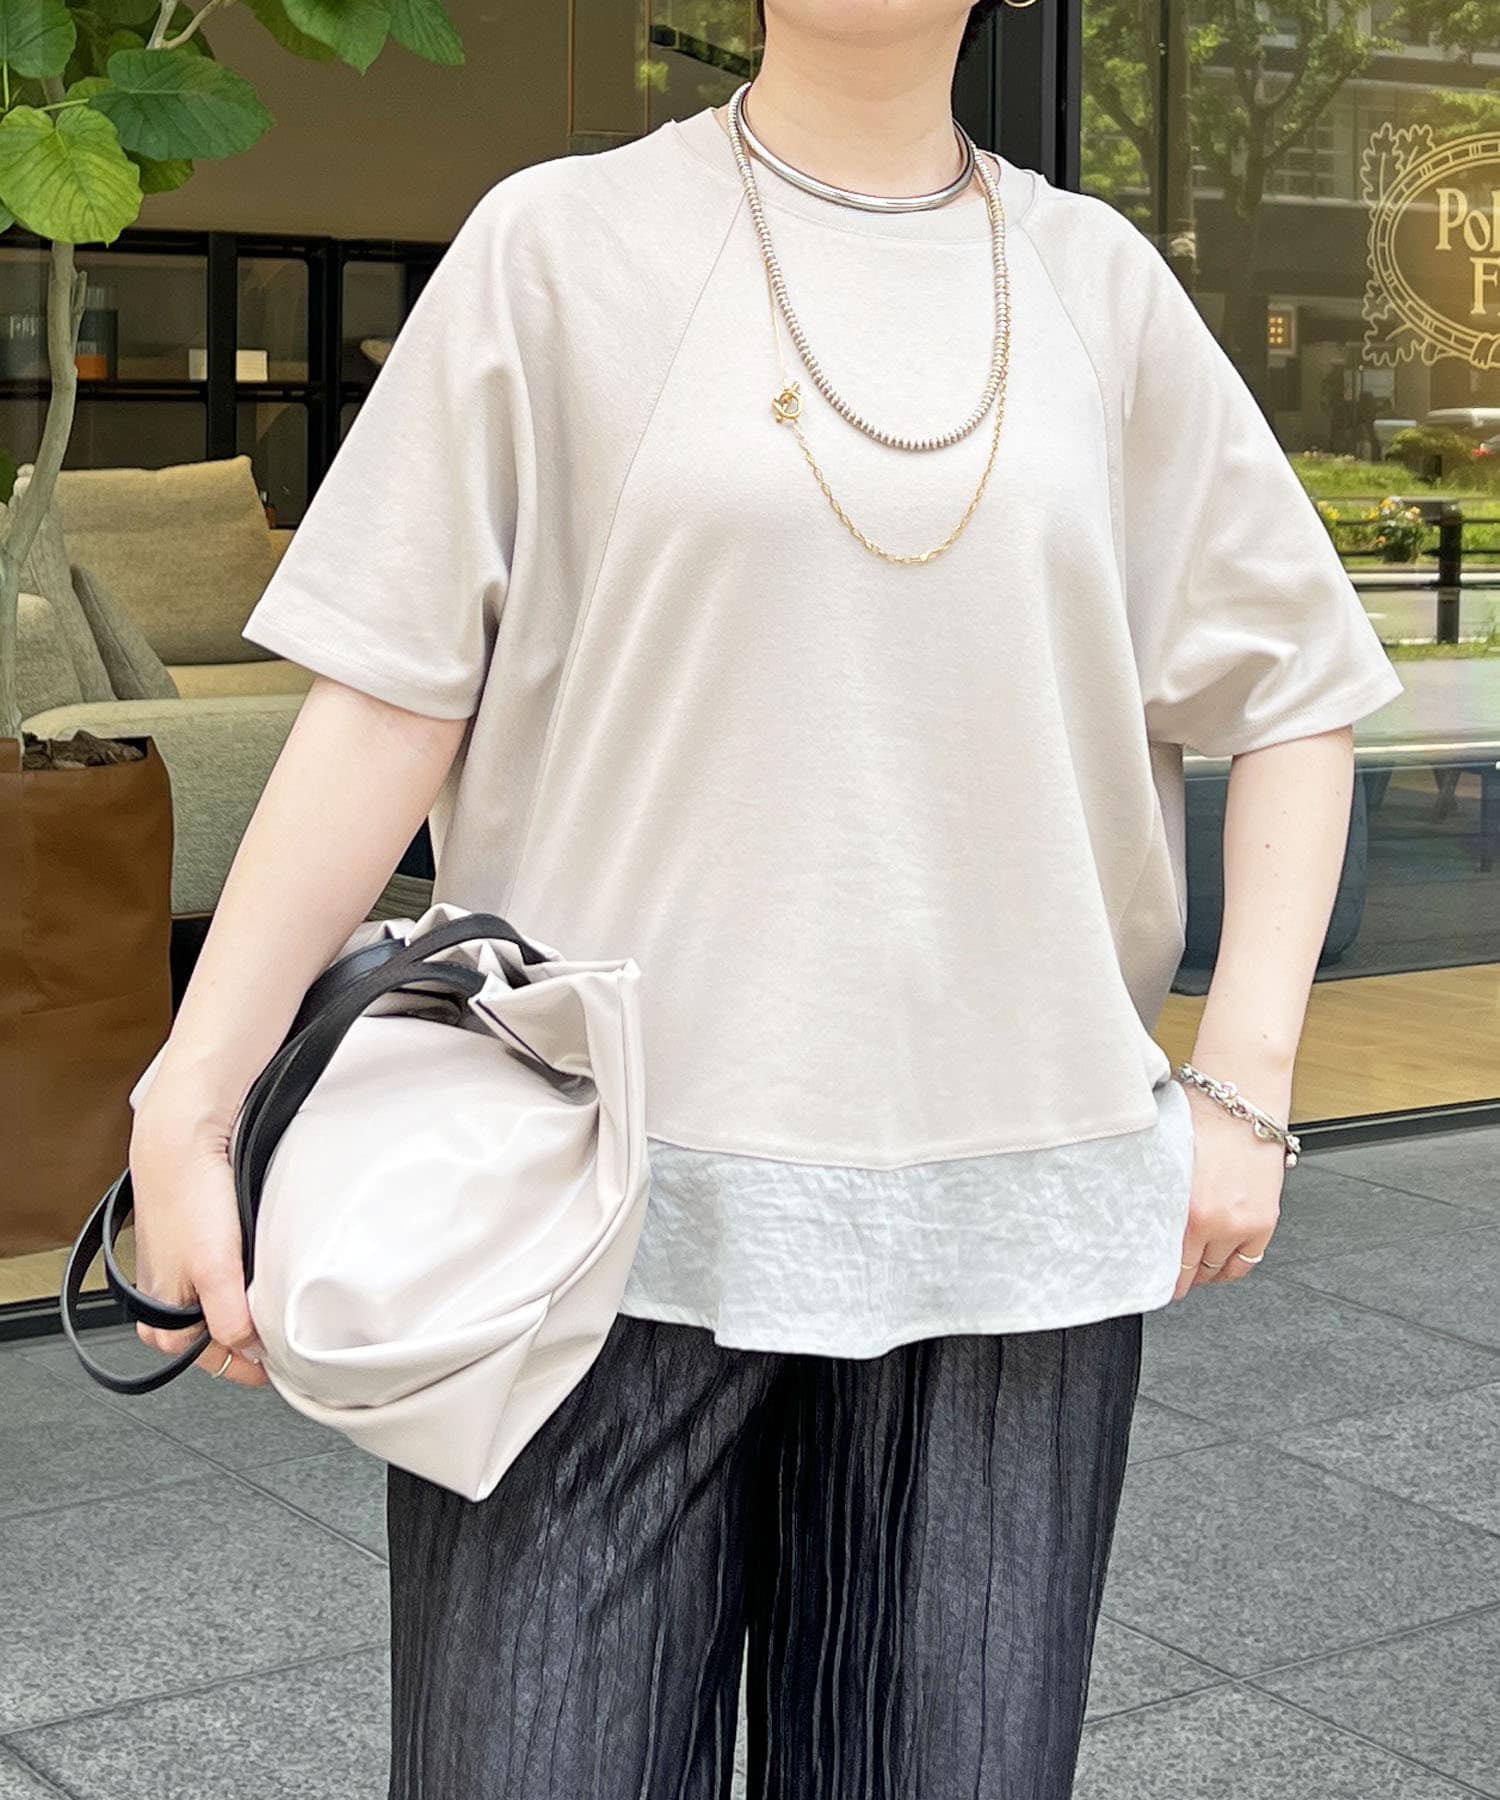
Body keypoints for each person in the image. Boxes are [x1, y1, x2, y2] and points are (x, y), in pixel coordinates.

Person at [126, 2, 1404, 1795]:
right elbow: (391, 702)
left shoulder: (1097, 285)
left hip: (1012, 1225)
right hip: (589, 1210)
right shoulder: (558, 247)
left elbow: (1295, 688)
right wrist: (190, 1100)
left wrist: (1245, 1086)